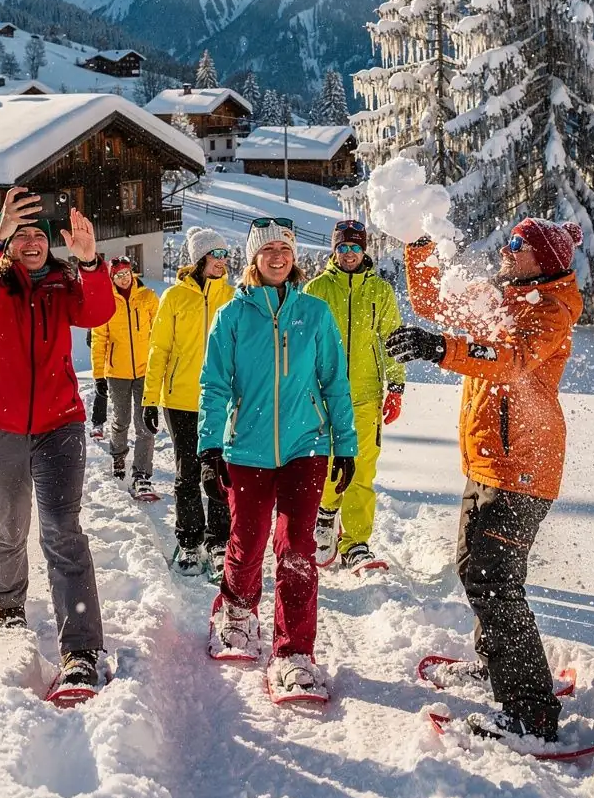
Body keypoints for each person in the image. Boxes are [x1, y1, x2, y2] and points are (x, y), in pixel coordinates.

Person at [387, 217, 584, 742]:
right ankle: (499, 664)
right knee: (473, 568)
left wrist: (441, 349)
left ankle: (531, 711)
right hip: (487, 463)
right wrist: (417, 240)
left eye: (519, 243)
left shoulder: (548, 310)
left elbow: (510, 360)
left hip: (523, 468)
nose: (506, 248)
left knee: (494, 581)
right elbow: (433, 302)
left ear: (543, 260)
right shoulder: (501, 295)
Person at [0, 187, 115, 696]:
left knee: (63, 531)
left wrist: (90, 262)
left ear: (49, 243)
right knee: (10, 525)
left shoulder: (64, 287)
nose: (31, 242)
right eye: (19, 235)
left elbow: (99, 312)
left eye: (38, 235)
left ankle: (81, 651)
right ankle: (9, 608)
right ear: (8, 242)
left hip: (59, 426)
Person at [198, 218, 358, 701]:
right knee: (247, 540)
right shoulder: (232, 316)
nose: (277, 256)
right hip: (246, 448)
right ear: (253, 258)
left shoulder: (315, 313)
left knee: (296, 549)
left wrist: (345, 444)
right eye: (267, 249)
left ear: (294, 257)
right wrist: (209, 447)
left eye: (284, 249)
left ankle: (293, 653)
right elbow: (214, 386)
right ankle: (237, 612)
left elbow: (335, 382)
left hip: (306, 447)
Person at [305, 218, 405, 572]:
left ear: (364, 250)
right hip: (323, 394)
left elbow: (392, 339)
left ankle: (356, 542)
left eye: (355, 247)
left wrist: (396, 386)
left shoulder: (380, 291)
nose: (349, 254)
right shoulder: (317, 289)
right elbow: (302, 343)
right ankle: (325, 513)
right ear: (334, 250)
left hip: (365, 394)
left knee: (362, 469)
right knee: (326, 462)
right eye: (343, 247)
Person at [141, 226, 234, 576]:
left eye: (225, 255)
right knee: (188, 473)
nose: (222, 261)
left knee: (221, 474)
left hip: (221, 401)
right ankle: (190, 541)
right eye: (216, 255)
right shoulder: (175, 297)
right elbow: (159, 349)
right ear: (199, 259)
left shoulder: (234, 297)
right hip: (180, 399)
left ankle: (219, 541)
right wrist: (150, 398)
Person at [89, 256, 159, 492]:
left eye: (126, 273)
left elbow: (159, 334)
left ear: (132, 273)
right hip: (117, 373)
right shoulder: (106, 302)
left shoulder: (147, 297)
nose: (124, 278)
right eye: (118, 275)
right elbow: (99, 340)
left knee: (144, 424)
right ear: (112, 278)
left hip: (145, 371)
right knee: (121, 420)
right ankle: (118, 456)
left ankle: (142, 474)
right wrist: (99, 375)